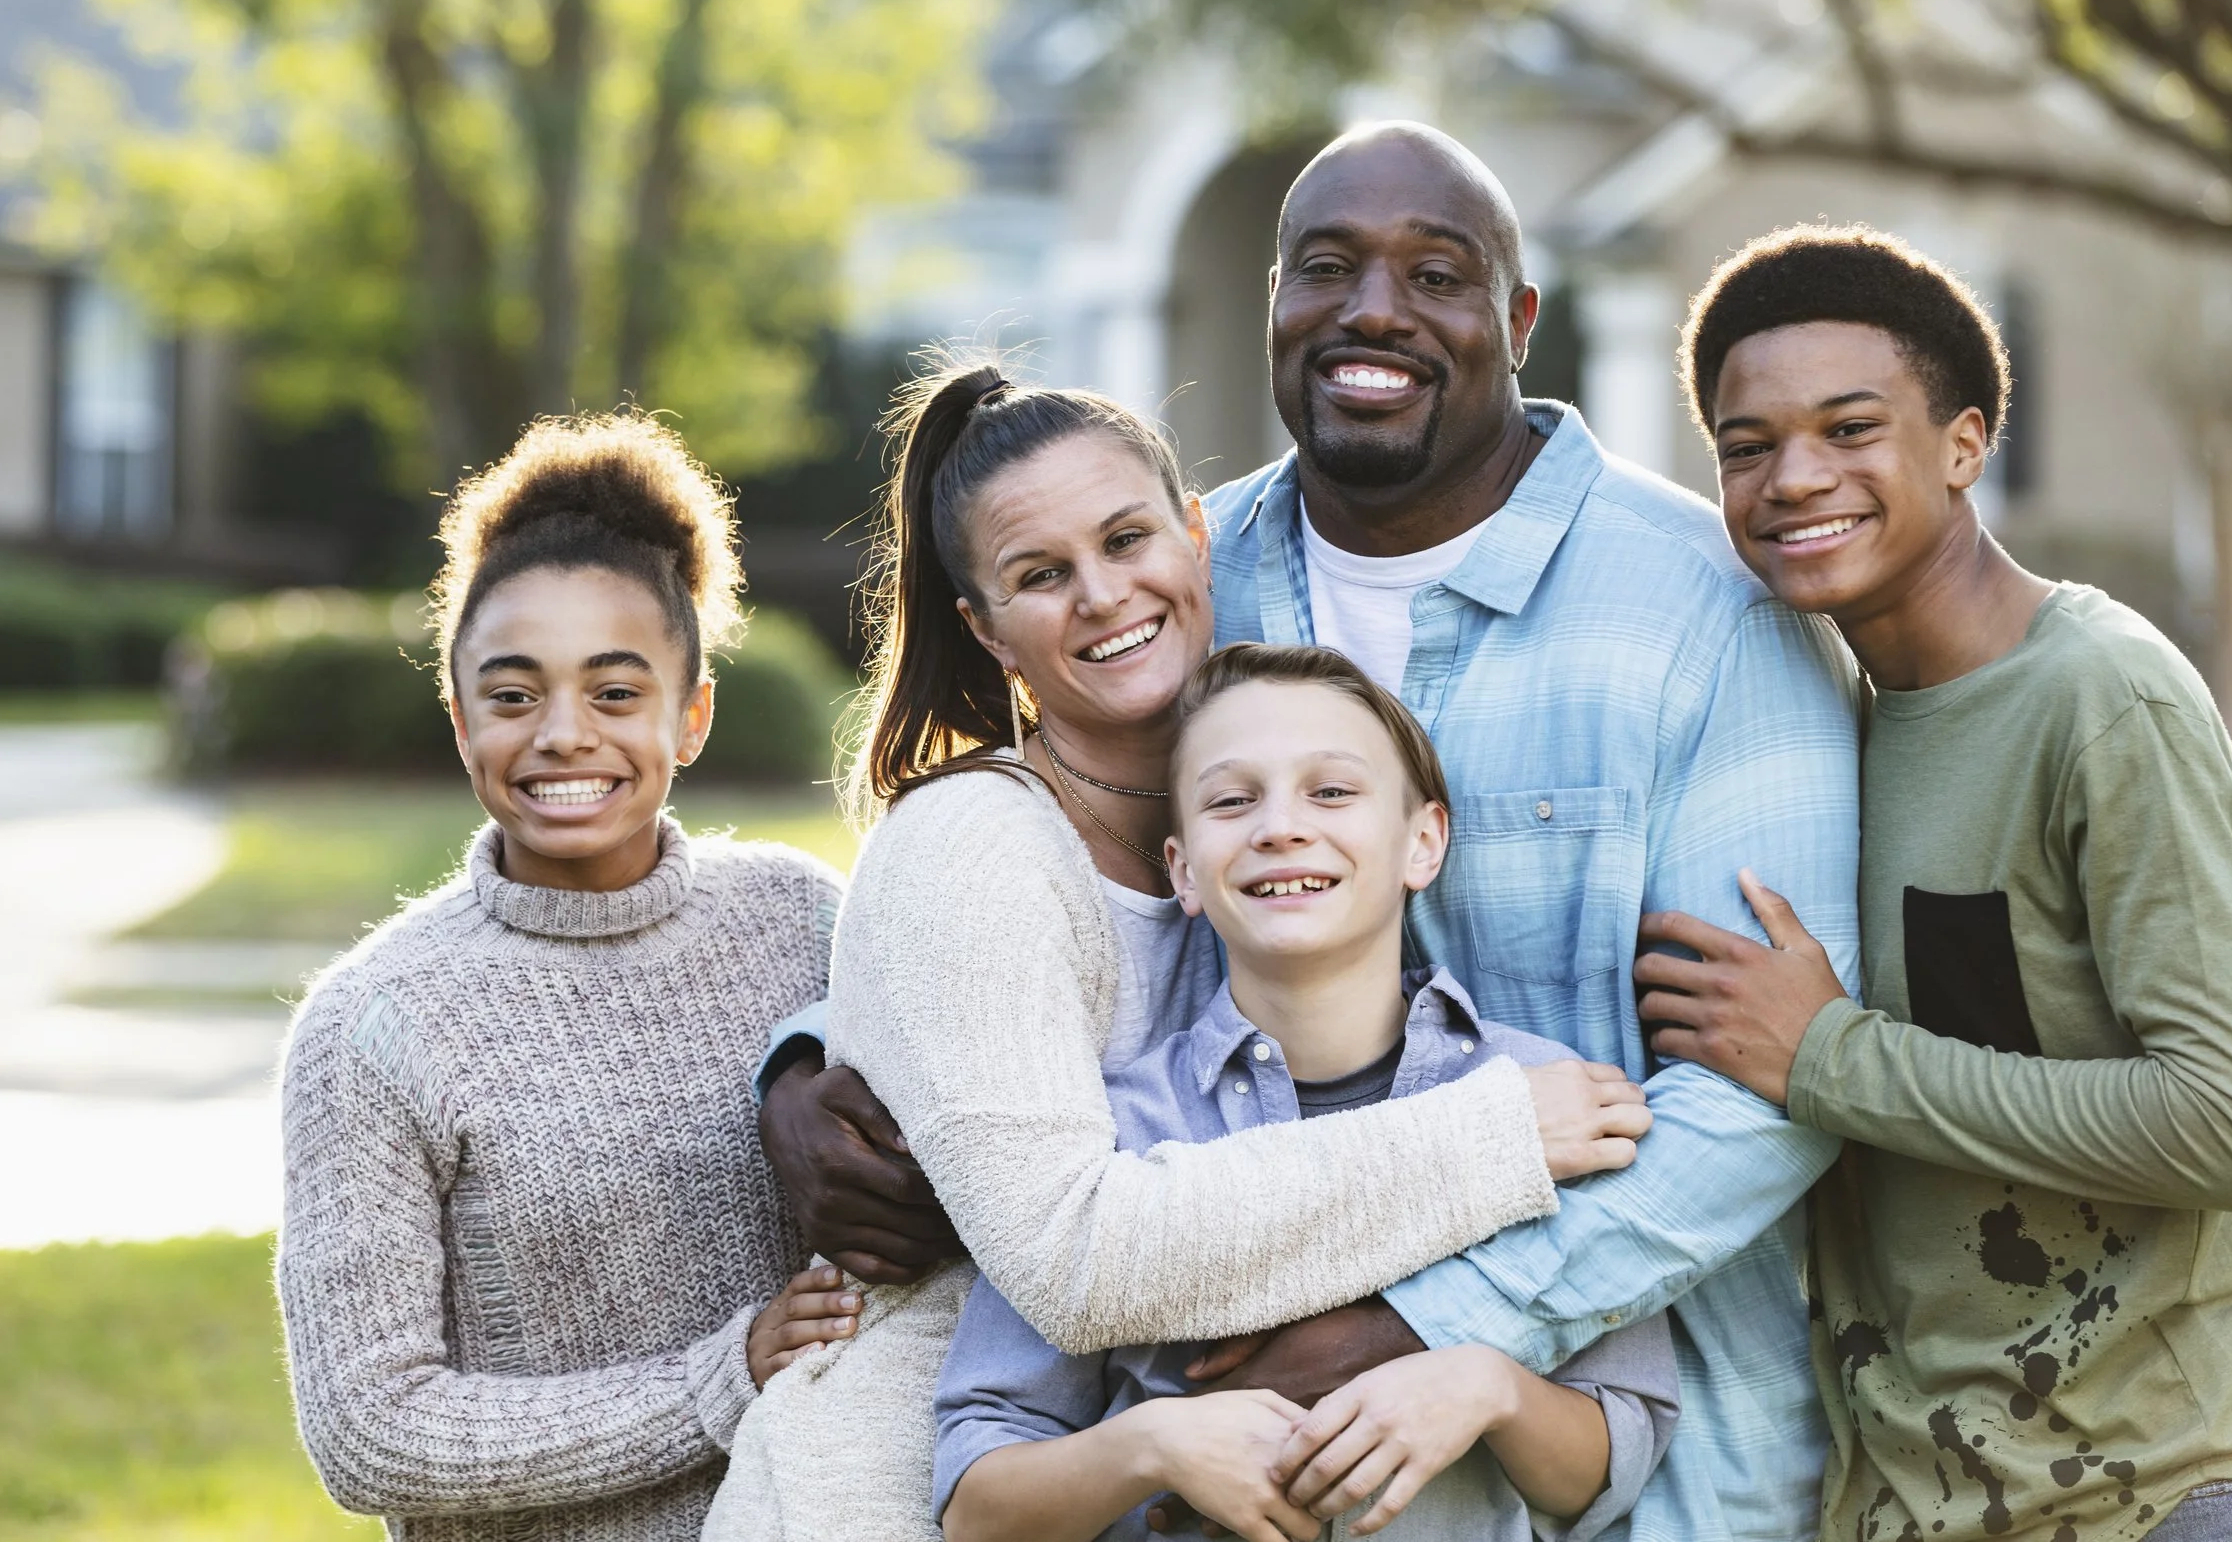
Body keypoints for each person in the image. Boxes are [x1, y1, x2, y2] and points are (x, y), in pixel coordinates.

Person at [704, 365, 1652, 1541]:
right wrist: (1499, 1136)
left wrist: (793, 1055)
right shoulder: (973, 843)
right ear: (984, 628)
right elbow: (1072, 1258)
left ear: (1196, 536)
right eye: (1041, 575)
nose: (1103, 594)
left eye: (1125, 538)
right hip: (892, 1490)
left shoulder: (1249, 790)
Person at [1166, 123, 1864, 1541]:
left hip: (1650, 1487)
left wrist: (1423, 1320)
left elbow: (1761, 1097)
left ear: (1518, 322)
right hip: (1223, 1460)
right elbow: (1035, 856)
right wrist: (823, 1051)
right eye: (1327, 268)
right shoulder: (1180, 581)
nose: (1373, 310)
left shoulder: (1707, 610)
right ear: (1274, 303)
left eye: (1437, 273)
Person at [1635, 224, 2232, 1542]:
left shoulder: (2103, 702)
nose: (1795, 477)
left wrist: (1832, 1055)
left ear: (1965, 444)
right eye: (1747, 445)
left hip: (2176, 1481)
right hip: (1912, 1496)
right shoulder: (1800, 722)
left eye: (1851, 427)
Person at [936, 642, 1680, 1542]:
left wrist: (1486, 1385)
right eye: (1230, 799)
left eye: (1331, 791)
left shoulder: (1540, 1102)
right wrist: (1150, 1443)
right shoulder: (1117, 1136)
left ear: (1423, 841)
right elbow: (977, 1505)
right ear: (1182, 869)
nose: (1280, 826)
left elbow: (1617, 1453)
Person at [275, 413, 850, 1542]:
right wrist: (717, 1379)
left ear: (691, 715)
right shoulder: (376, 1028)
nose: (563, 735)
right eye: (514, 693)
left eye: (616, 692)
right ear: (460, 721)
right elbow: (369, 1429)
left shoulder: (805, 922)